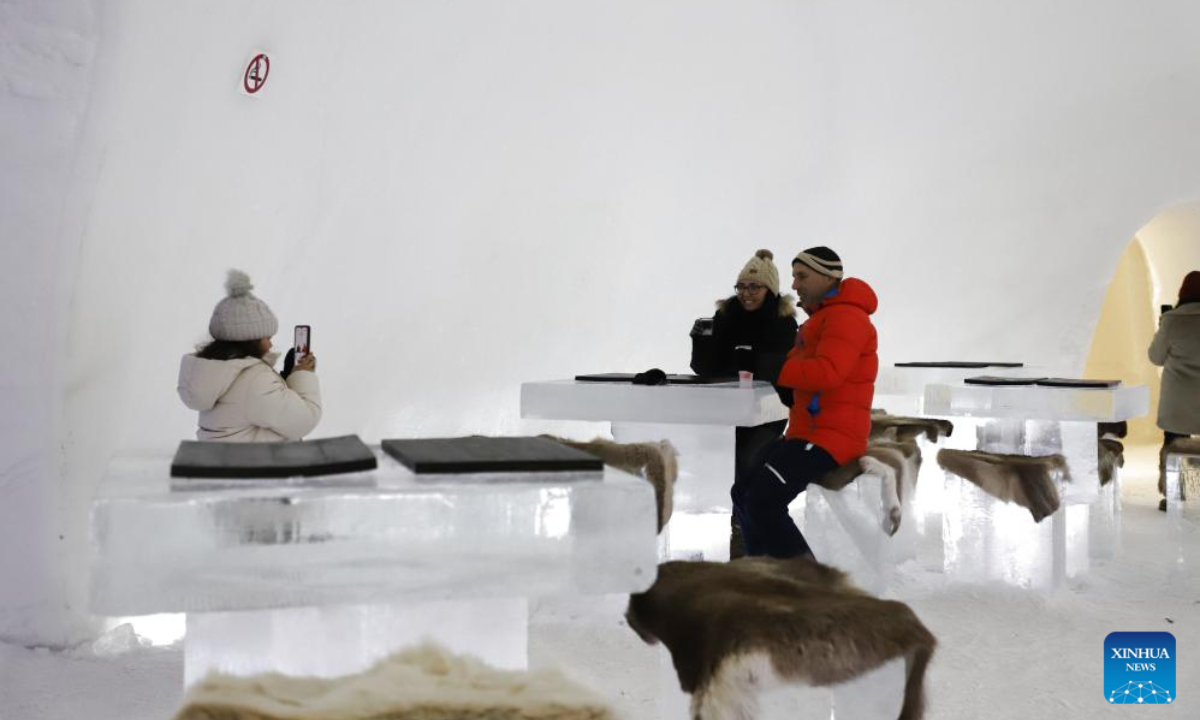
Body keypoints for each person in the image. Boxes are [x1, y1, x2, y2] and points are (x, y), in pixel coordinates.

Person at [731, 246, 878, 558]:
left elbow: (828, 374)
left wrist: (771, 366)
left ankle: (809, 582)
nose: (794, 284)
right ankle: (763, 569)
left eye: (802, 276)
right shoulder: (824, 317)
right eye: (794, 276)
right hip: (807, 433)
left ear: (828, 277)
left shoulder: (846, 317)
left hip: (831, 438)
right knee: (743, 492)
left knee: (763, 500)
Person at [690, 249, 799, 557]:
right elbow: (704, 367)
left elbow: (785, 369)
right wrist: (701, 340)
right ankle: (742, 544)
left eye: (754, 287)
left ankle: (747, 544)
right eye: (742, 287)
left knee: (749, 471)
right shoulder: (726, 316)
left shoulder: (784, 323)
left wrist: (752, 360)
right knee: (732, 474)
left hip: (768, 410)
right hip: (728, 408)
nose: (746, 294)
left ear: (770, 291)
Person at [178, 269, 322, 442]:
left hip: (225, 462)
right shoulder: (255, 379)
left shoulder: (219, 371)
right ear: (249, 340)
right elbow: (304, 420)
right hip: (257, 465)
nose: (270, 344)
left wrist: (285, 379)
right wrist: (303, 375)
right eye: (266, 338)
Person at [1149, 270, 1200, 511]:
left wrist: (1163, 326)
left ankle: (1173, 495)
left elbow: (1156, 357)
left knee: (1172, 444)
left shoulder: (1172, 320)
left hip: (1177, 402)